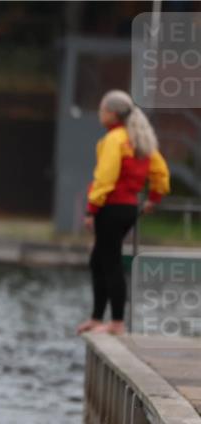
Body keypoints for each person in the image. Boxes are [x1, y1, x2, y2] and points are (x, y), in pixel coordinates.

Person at [77, 90, 170, 336]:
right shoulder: (140, 139)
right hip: (128, 208)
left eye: (102, 110)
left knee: (110, 261)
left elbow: (105, 178)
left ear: (113, 114)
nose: (100, 114)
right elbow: (161, 174)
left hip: (111, 207)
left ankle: (116, 322)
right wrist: (153, 198)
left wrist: (91, 209)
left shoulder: (115, 139)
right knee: (100, 260)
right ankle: (97, 318)